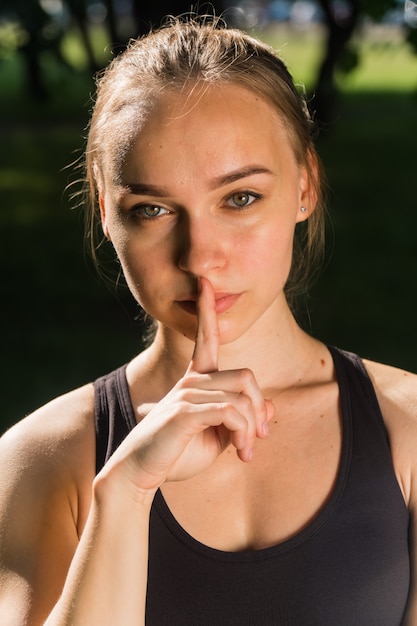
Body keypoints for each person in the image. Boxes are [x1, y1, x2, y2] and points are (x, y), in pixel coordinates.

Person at [0, 16, 416, 626]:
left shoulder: (407, 430)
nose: (198, 257)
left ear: (305, 185)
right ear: (105, 212)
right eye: (151, 209)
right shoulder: (41, 459)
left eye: (239, 199)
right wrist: (126, 494)